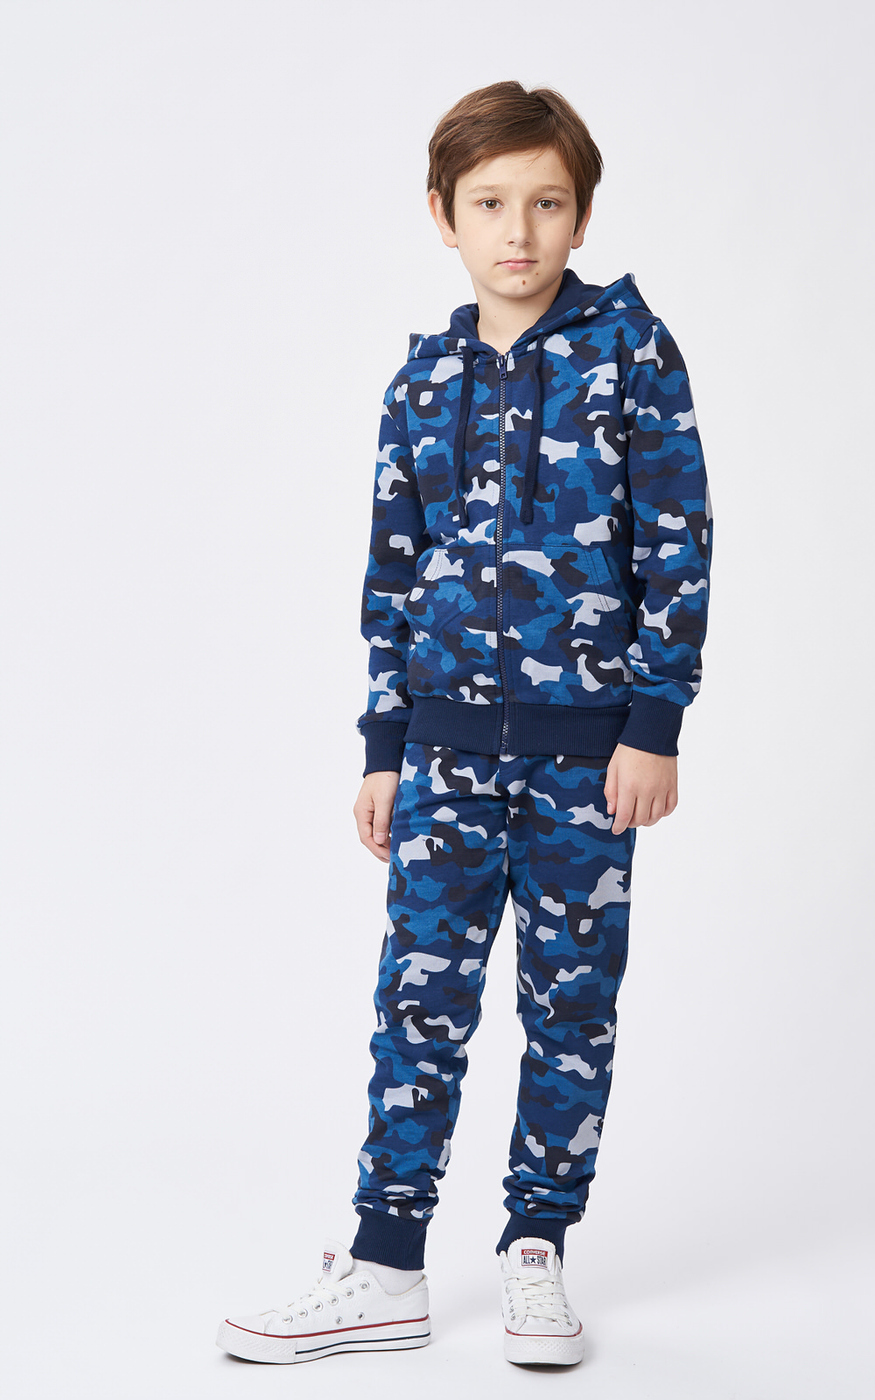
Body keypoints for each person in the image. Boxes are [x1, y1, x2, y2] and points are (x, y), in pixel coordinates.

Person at [216, 79, 712, 1369]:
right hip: (442, 754)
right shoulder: (421, 379)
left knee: (570, 1007)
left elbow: (677, 544)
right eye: (490, 203)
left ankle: (536, 1251)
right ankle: (385, 1265)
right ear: (443, 215)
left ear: (582, 216)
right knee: (417, 1004)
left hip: (587, 761)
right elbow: (394, 576)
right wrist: (384, 748)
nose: (518, 230)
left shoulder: (632, 352)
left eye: (547, 203)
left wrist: (653, 724)